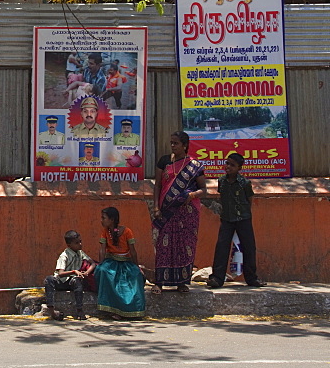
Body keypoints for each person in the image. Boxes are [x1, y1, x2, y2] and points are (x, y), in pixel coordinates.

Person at [152, 131, 207, 294]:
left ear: (185, 145)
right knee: (163, 245)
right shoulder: (164, 161)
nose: (173, 146)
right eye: (171, 143)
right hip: (166, 211)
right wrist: (156, 207)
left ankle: (182, 282)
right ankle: (159, 282)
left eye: (176, 143)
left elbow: (204, 189)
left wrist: (191, 195)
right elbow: (157, 186)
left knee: (184, 246)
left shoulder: (194, 165)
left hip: (187, 212)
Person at [207, 153, 266, 289]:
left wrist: (243, 214)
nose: (228, 167)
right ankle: (217, 278)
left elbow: (249, 199)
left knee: (249, 247)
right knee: (222, 247)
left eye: (232, 165)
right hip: (227, 218)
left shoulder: (244, 183)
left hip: (243, 218)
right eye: (227, 163)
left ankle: (252, 278)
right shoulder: (222, 181)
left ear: (239, 168)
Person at [94, 206, 145, 319]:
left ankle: (132, 310)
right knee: (103, 271)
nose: (101, 220)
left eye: (104, 218)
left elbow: (132, 251)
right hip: (111, 261)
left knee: (135, 275)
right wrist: (101, 264)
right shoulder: (105, 232)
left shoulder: (127, 231)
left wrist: (137, 267)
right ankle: (112, 309)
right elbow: (102, 249)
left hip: (125, 262)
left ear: (112, 220)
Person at [44, 230, 94, 321]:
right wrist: (74, 271)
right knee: (49, 279)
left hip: (72, 281)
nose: (80, 244)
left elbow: (93, 263)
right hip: (61, 282)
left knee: (77, 281)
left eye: (80, 241)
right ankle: (52, 311)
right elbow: (60, 274)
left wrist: (86, 273)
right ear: (69, 245)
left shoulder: (80, 253)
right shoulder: (64, 256)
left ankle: (79, 310)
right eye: (76, 243)